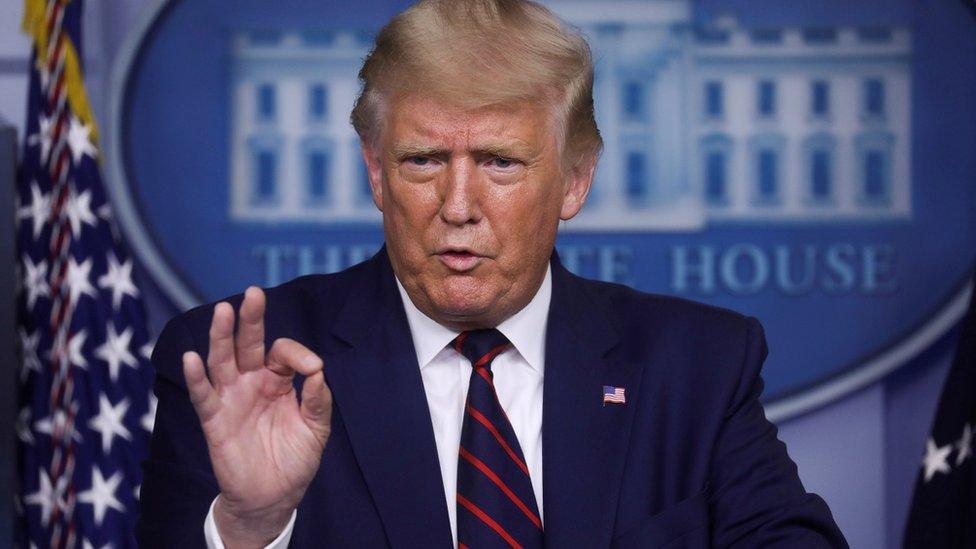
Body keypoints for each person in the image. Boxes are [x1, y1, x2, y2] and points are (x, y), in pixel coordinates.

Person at [136, 0, 848, 547]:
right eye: (424, 161)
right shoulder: (243, 368)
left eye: (500, 162)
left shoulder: (695, 367)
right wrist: (250, 525)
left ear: (574, 180)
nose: (458, 207)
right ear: (375, 172)